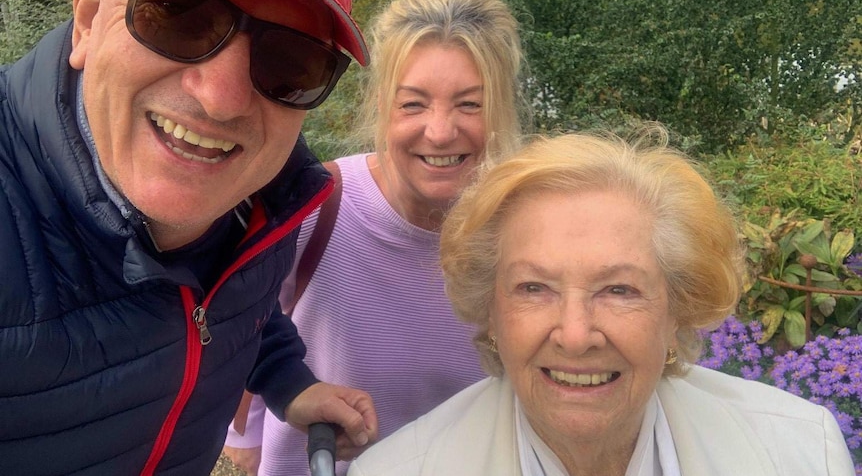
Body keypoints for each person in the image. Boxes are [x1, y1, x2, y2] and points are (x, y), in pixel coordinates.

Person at [0, 0, 381, 474]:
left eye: (290, 60)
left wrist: (288, 382)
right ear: (88, 12)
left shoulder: (265, 200)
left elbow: (236, 304)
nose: (220, 98)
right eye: (177, 13)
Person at [349, 127, 856, 476]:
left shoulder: (801, 453)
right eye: (534, 288)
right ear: (491, 312)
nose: (574, 335)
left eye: (619, 290)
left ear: (677, 307)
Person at [222, 0, 532, 475]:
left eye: (469, 104)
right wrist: (247, 432)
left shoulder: (520, 230)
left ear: (498, 111)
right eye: (413, 104)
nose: (439, 131)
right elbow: (246, 319)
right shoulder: (317, 205)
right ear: (382, 107)